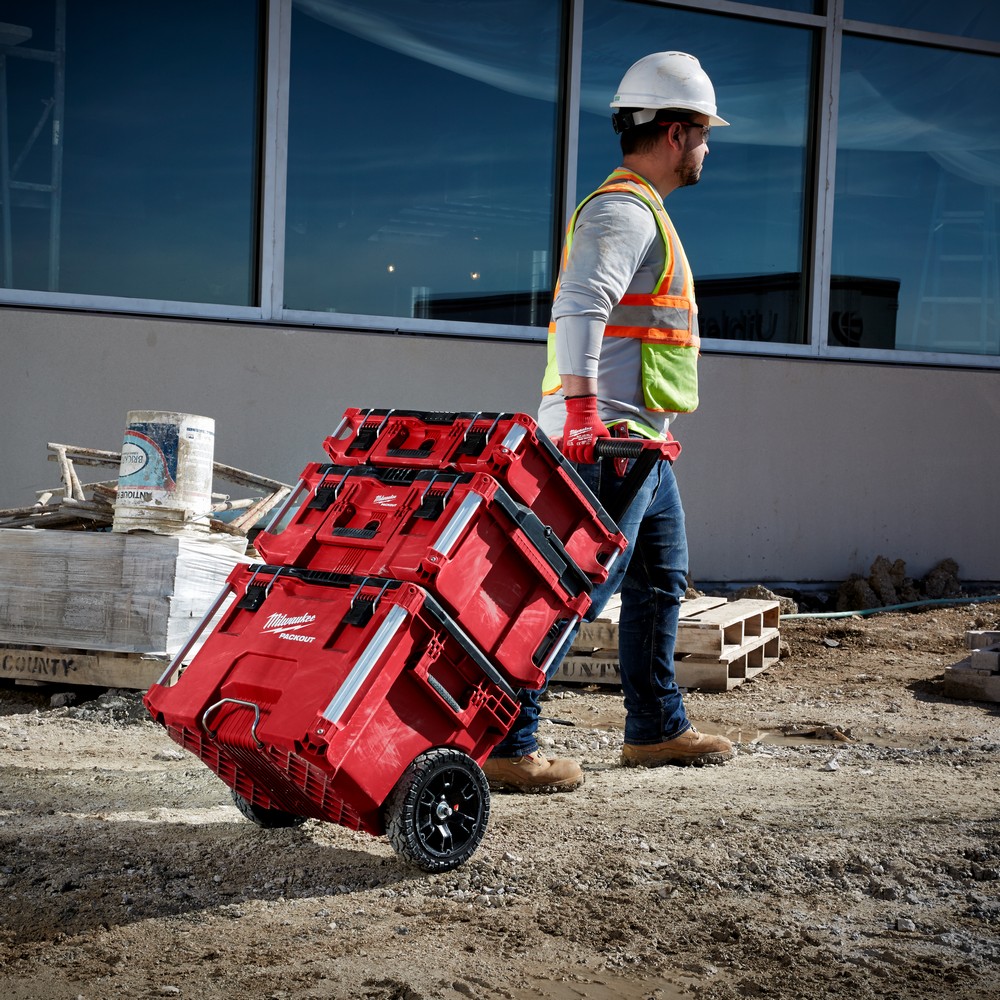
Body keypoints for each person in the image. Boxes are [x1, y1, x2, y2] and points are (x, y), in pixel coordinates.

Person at [483, 51, 735, 794]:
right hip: (606, 444)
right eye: (704, 132)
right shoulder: (622, 211)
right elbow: (579, 307)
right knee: (567, 594)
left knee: (662, 583)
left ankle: (656, 729)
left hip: (640, 444)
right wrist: (587, 418)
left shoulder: (642, 212)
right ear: (678, 131)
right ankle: (509, 741)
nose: (708, 147)